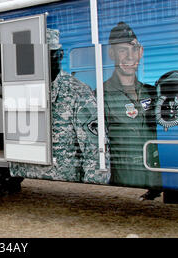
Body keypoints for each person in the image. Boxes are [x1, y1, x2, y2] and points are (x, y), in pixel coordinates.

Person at [104, 22, 178, 200]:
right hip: (123, 184)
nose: (130, 56)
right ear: (111, 53)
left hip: (153, 182)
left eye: (134, 49)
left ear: (141, 52)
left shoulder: (154, 93)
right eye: (122, 50)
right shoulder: (101, 95)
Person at [9, 28, 110, 184]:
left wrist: (93, 185)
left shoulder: (77, 92)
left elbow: (94, 149)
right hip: (26, 178)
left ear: (60, 54)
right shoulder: (21, 88)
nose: (41, 61)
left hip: (62, 181)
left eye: (48, 55)